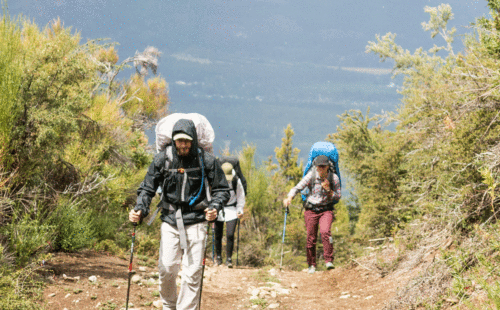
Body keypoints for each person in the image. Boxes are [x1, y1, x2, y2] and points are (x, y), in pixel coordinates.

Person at [129, 118, 230, 310]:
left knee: (192, 273)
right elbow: (147, 188)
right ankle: (169, 306)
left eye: (186, 140)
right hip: (170, 220)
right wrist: (140, 209)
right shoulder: (163, 158)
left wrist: (215, 206)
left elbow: (221, 190)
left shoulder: (206, 160)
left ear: (193, 139)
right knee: (166, 269)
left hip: (197, 220)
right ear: (173, 139)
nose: (182, 144)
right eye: (179, 140)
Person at [282, 155, 341, 274]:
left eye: (323, 167)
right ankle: (311, 265)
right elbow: (298, 187)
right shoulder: (311, 175)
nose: (320, 169)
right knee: (311, 237)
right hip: (311, 209)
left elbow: (338, 196)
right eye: (318, 167)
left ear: (327, 167)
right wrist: (289, 197)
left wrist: (329, 190)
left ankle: (329, 261)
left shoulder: (333, 178)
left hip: (326, 209)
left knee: (325, 232)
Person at [214, 162, 245, 268]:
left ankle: (229, 259)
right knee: (218, 234)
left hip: (232, 209)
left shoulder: (236, 180)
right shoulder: (216, 178)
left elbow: (240, 196)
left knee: (230, 235)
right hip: (219, 209)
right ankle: (218, 257)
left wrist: (240, 209)